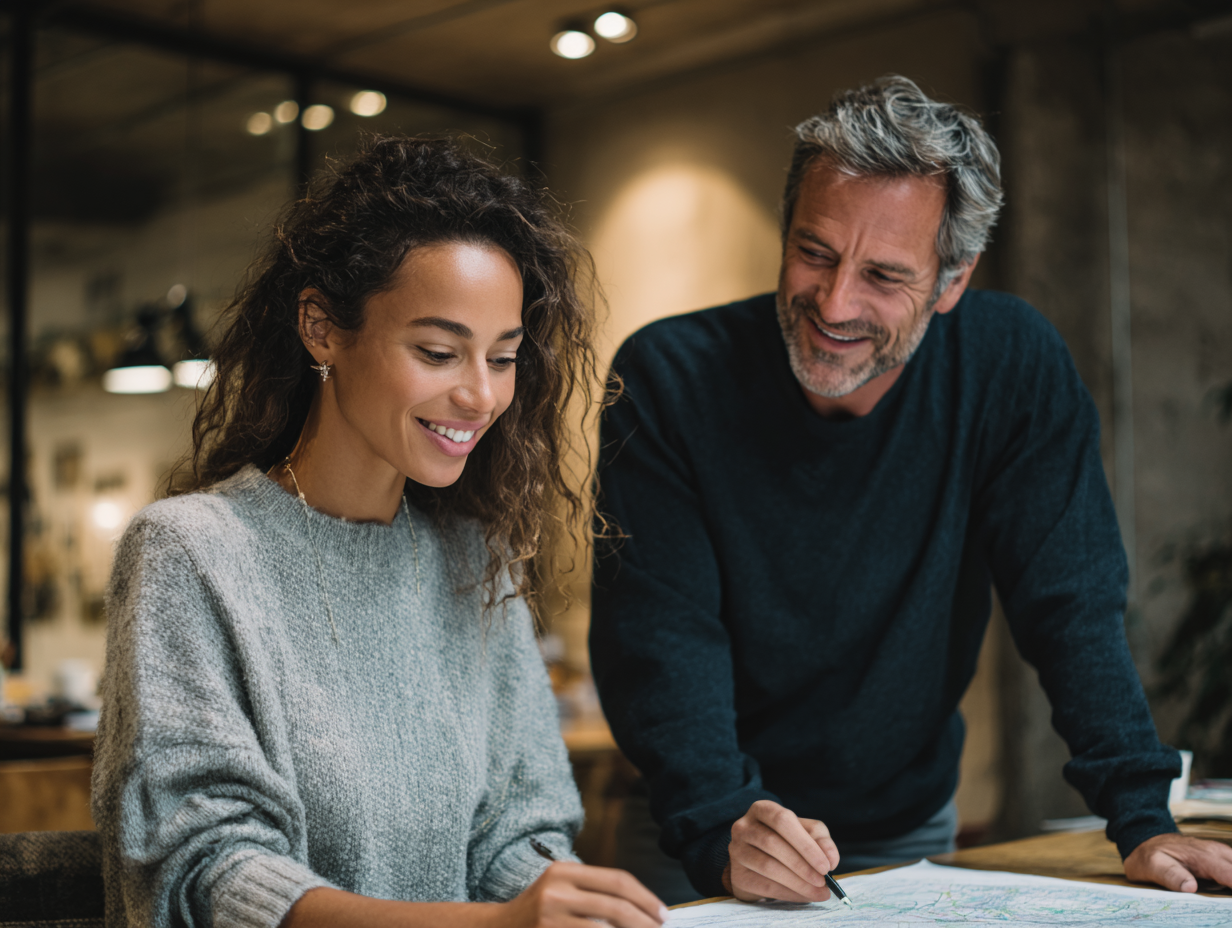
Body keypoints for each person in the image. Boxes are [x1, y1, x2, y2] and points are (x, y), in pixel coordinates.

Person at [590, 76, 1232, 905]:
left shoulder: (1011, 367)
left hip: (904, 828)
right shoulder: (668, 378)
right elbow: (662, 642)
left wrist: (1142, 816)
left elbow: (1069, 602)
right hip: (701, 829)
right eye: (814, 252)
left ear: (952, 281)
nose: (835, 302)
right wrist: (718, 825)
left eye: (885, 276)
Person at [93, 137, 668, 928]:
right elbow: (209, 873)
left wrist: (558, 901)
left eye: (502, 358)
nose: (479, 395)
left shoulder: (474, 559)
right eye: (438, 352)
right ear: (321, 328)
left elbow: (520, 833)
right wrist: (496, 927)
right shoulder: (191, 553)